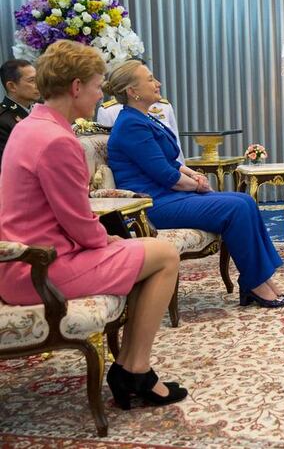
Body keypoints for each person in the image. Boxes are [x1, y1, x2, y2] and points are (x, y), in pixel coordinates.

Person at [0, 40, 187, 409]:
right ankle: (135, 371)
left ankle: (131, 368)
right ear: (75, 87)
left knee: (143, 250)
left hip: (22, 261)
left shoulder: (30, 126)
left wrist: (112, 240)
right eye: (98, 86)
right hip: (39, 268)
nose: (101, 96)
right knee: (164, 255)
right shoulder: (56, 139)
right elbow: (80, 226)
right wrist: (113, 242)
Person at [104, 60, 284, 308]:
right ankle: (255, 284)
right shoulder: (131, 124)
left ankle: (260, 280)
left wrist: (192, 174)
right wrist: (196, 185)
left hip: (169, 196)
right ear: (132, 91)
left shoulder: (144, 118)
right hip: (153, 203)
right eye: (150, 79)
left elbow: (170, 161)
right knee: (235, 208)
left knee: (244, 200)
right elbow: (166, 175)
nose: (157, 83)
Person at [97, 83, 186, 163]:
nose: (158, 83)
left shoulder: (164, 106)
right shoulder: (109, 111)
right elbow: (107, 154)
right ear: (131, 89)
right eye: (149, 80)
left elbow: (176, 145)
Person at [0, 59, 39, 171]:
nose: (38, 85)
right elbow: (7, 166)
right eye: (32, 81)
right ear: (12, 86)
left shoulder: (41, 110)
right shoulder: (3, 120)